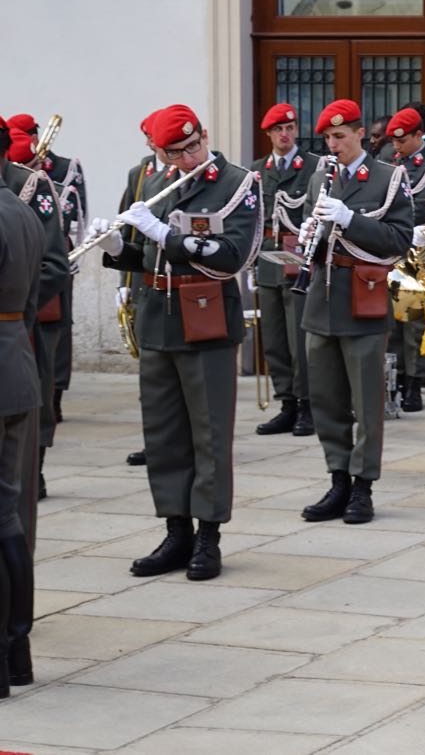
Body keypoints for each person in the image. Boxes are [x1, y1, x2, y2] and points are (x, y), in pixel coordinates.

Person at [87, 104, 262, 581]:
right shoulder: (155, 182)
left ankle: (209, 536)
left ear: (204, 135)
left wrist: (167, 236)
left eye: (193, 146)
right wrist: (118, 248)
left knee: (209, 433)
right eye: (176, 152)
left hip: (206, 319)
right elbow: (147, 257)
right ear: (159, 152)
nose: (189, 157)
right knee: (163, 433)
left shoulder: (238, 183)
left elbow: (234, 256)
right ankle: (176, 529)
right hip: (159, 318)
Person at [295, 101, 413, 524]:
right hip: (322, 300)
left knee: (366, 400)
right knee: (326, 398)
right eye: (328, 138)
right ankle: (338, 478)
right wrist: (309, 232)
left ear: (361, 134)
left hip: (362, 295)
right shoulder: (319, 176)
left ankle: (363, 486)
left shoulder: (387, 177)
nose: (334, 145)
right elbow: (313, 228)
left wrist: (349, 219)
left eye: (341, 137)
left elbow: (398, 239)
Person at [1, 126, 68, 500]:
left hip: (23, 319)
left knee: (33, 404)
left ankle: (36, 467)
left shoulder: (28, 185)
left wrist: (16, 313)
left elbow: (53, 265)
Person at [8, 114, 84, 430]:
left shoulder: (60, 172)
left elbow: (75, 214)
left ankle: (54, 395)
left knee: (54, 337)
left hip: (43, 274)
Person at [251, 103, 321, 437]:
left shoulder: (313, 167)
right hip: (267, 256)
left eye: (290, 128)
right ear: (268, 133)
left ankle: (308, 404)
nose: (285, 134)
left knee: (299, 336)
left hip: (298, 255)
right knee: (275, 338)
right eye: (278, 129)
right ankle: (286, 403)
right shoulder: (256, 171)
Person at [0, 177, 43, 700]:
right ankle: (18, 651)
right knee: (7, 514)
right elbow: (34, 298)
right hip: (16, 362)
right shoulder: (23, 210)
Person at [385, 107, 425, 412]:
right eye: (394, 142)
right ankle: (394, 379)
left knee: (413, 320)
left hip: (420, 245)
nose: (396, 147)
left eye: (402, 141)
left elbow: (422, 200)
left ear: (416, 135)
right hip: (391, 244)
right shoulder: (391, 159)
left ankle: (414, 383)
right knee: (393, 318)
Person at [120, 112, 165, 468]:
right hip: (143, 279)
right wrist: (124, 285)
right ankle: (154, 441)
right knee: (149, 376)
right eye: (150, 139)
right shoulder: (141, 174)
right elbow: (127, 234)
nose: (154, 145)